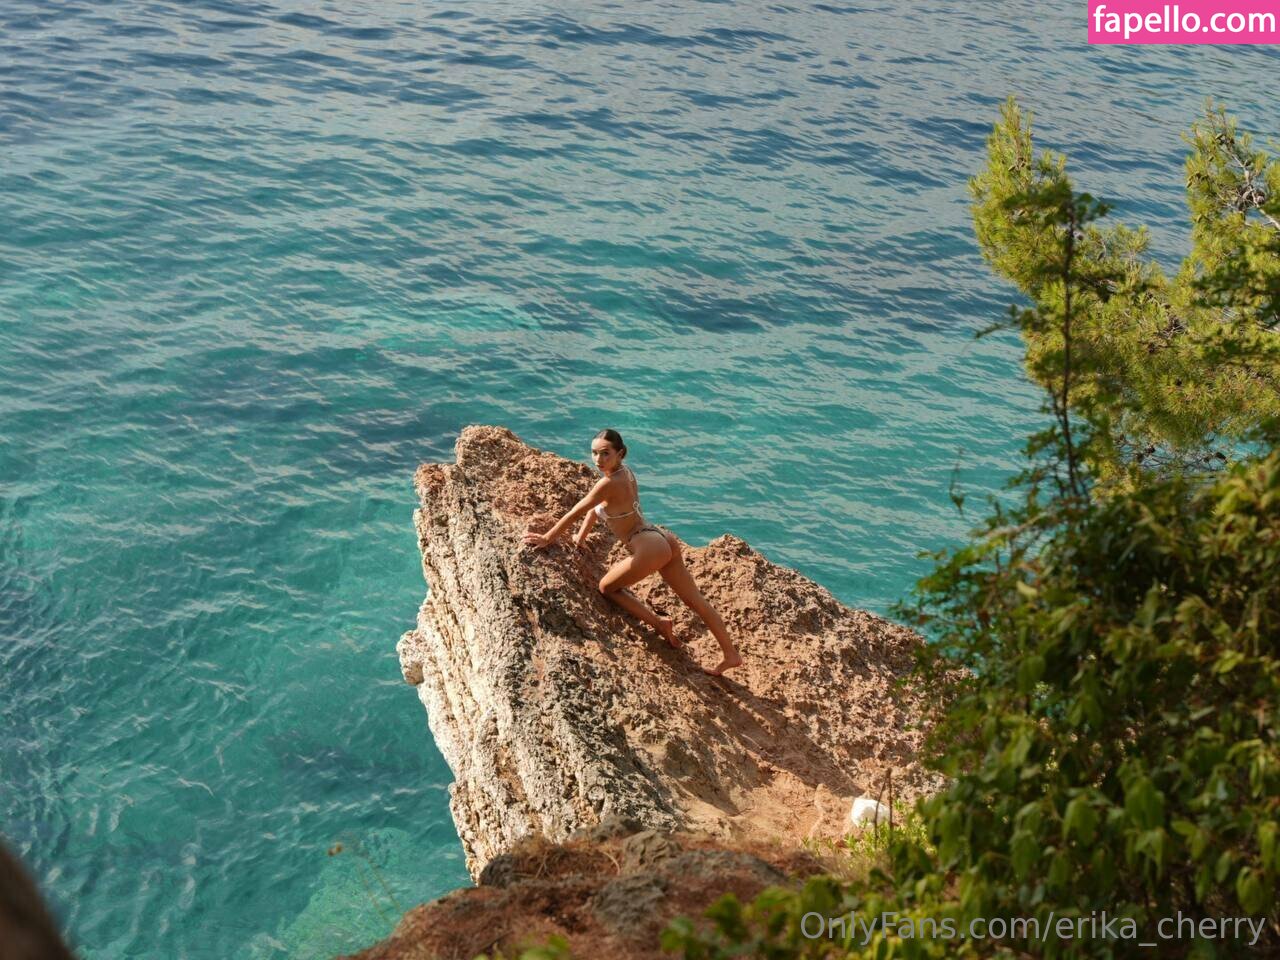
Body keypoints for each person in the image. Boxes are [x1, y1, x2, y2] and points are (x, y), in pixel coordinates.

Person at [523, 429, 743, 676]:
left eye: (605, 453)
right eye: (594, 453)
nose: (598, 459)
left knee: (607, 588)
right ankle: (731, 655)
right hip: (662, 539)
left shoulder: (607, 483)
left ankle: (660, 624)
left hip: (648, 546)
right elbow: (595, 510)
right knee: (695, 600)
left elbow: (577, 510)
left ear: (620, 453)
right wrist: (580, 538)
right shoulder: (625, 473)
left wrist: (547, 538)